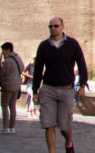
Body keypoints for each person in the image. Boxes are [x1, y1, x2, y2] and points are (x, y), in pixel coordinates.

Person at [33, 16, 89, 153]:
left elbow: (82, 64)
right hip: (48, 89)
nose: (53, 28)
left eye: (55, 26)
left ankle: (68, 142)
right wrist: (35, 91)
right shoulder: (44, 46)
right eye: (50, 26)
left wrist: (82, 85)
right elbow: (38, 70)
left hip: (66, 89)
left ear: (62, 27)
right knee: (48, 124)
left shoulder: (72, 44)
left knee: (64, 126)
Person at [0, 42, 24, 134]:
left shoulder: (8, 61)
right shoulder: (18, 58)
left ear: (8, 49)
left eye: (3, 50)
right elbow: (22, 68)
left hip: (7, 84)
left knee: (4, 105)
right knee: (12, 106)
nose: (3, 52)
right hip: (17, 84)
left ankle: (5, 127)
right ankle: (12, 127)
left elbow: (3, 73)